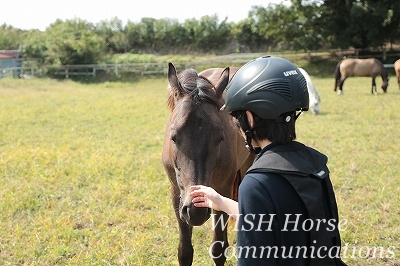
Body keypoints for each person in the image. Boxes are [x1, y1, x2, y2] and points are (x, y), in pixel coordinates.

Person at [190, 56, 347, 265]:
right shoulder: (315, 165)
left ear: (250, 118)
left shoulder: (257, 183)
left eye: (236, 119)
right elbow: (277, 219)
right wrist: (221, 202)